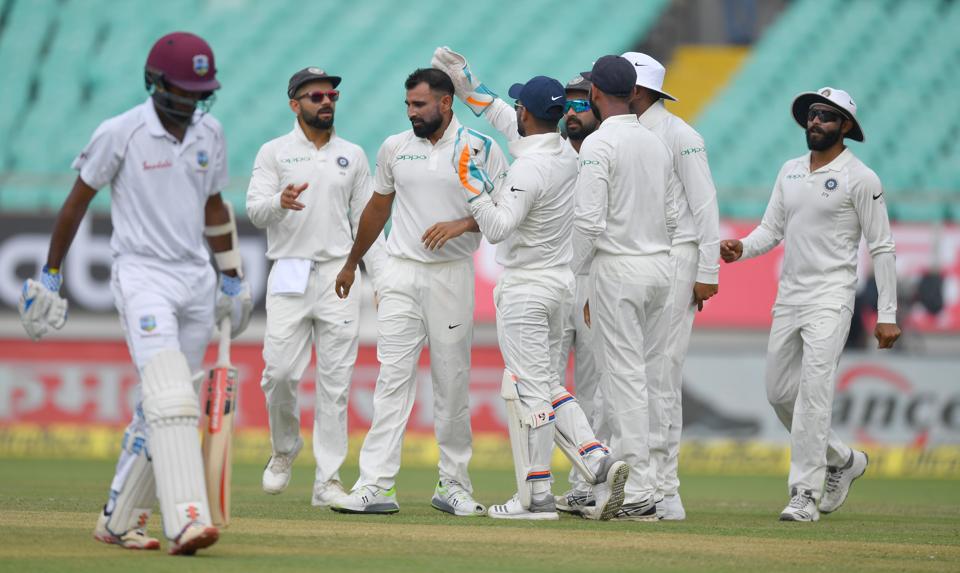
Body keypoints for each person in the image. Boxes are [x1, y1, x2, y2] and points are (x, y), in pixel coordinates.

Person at [18, 32, 252, 555]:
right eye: (183, 89)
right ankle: (188, 519)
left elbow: (215, 207)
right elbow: (77, 201)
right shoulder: (120, 132)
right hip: (141, 274)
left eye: (199, 90)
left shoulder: (210, 132)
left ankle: (119, 520)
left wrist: (232, 275)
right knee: (170, 395)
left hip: (195, 278)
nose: (191, 100)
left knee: (163, 407)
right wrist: (51, 272)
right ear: (156, 83)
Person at [430, 48, 605, 517]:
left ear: (529, 113)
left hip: (527, 289)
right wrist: (465, 80)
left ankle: (535, 496)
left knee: (531, 390)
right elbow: (500, 114)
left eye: (520, 108)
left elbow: (498, 227)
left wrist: (472, 184)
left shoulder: (529, 167)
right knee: (546, 384)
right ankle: (590, 453)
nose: (516, 114)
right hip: (559, 285)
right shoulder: (564, 152)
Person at [332, 68, 508, 515]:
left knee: (452, 383)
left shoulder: (480, 148)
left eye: (420, 105)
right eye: (408, 105)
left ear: (446, 103)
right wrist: (353, 263)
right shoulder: (395, 148)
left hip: (452, 274)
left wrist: (462, 224)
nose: (411, 113)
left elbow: (508, 211)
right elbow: (377, 206)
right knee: (392, 378)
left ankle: (453, 484)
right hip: (401, 272)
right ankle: (376, 485)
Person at [720, 87, 900, 522]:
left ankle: (804, 492)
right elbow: (771, 230)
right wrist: (740, 248)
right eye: (812, 115)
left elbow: (883, 246)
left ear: (846, 128)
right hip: (791, 296)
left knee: (814, 395)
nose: (815, 122)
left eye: (826, 116)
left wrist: (888, 314)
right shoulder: (790, 171)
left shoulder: (861, 178)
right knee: (779, 393)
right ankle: (843, 459)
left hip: (832, 297)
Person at [246, 67, 385, 507]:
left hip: (338, 275)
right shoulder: (274, 153)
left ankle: (327, 480)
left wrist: (379, 279)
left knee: (336, 382)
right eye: (315, 96)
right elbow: (254, 211)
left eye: (331, 95)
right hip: (288, 270)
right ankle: (284, 450)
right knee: (280, 373)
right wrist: (278, 202)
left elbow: (369, 222)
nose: (326, 102)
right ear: (295, 104)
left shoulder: (353, 155)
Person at [571, 55, 680, 521]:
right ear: (632, 92)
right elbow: (674, 214)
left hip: (618, 268)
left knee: (623, 381)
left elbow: (588, 221)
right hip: (660, 266)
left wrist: (580, 276)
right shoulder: (655, 142)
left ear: (595, 92)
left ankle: (636, 490)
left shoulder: (598, 144)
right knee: (649, 378)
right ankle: (651, 484)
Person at [620, 51, 721, 520]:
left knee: (662, 374)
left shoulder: (682, 135)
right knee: (634, 375)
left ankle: (666, 489)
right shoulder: (624, 132)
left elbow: (705, 205)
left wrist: (708, 271)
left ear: (636, 90)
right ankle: (639, 481)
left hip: (678, 255)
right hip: (639, 257)